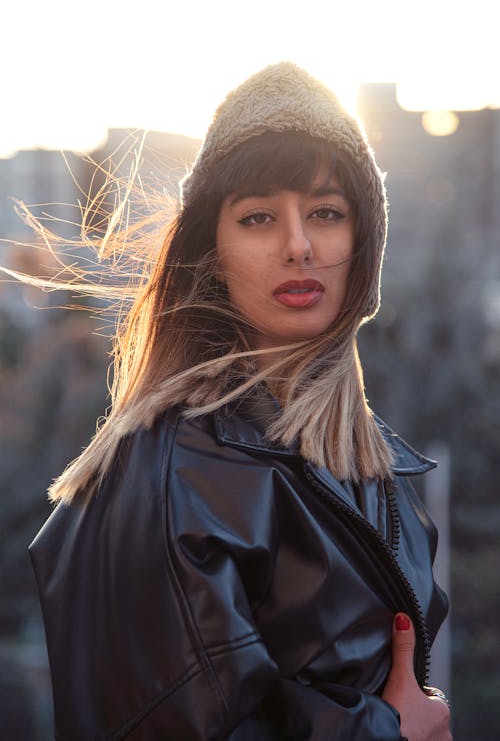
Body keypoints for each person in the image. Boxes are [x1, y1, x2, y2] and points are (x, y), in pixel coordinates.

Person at [29, 62, 452, 740]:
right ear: (213, 252)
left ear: (362, 242)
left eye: (326, 212)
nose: (298, 244)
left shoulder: (369, 458)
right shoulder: (173, 472)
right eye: (258, 217)